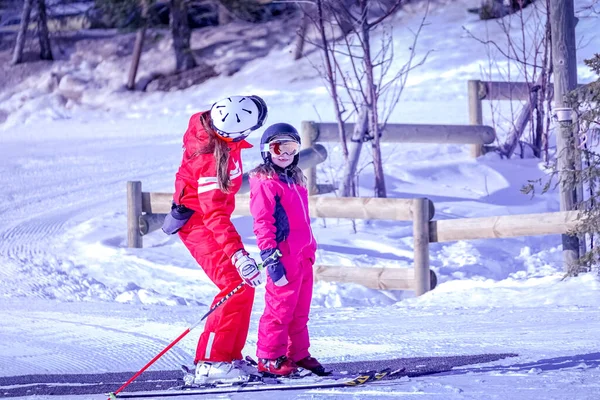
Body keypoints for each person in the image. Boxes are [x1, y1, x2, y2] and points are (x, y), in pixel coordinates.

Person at [167, 95, 268, 385]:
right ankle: (211, 363)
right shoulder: (212, 163)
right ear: (240, 133)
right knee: (234, 284)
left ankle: (228, 356)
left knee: (241, 287)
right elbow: (216, 218)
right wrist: (239, 256)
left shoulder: (212, 129)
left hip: (204, 216)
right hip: (199, 222)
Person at [248, 123, 329, 377]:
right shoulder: (266, 182)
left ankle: (298, 353)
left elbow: (302, 220)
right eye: (278, 147)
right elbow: (262, 221)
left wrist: (310, 248)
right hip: (282, 256)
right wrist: (270, 256)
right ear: (266, 150)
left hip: (302, 256)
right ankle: (270, 357)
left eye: (291, 147)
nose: (284, 153)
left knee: (300, 311)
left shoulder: (294, 179)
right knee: (279, 309)